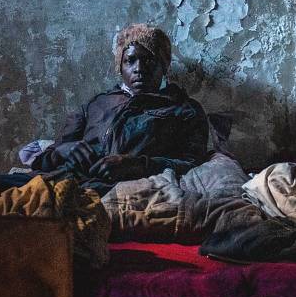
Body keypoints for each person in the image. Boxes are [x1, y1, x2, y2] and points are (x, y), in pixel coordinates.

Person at [32, 24, 208, 195]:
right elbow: (42, 162)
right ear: (120, 67)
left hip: (116, 190)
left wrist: (139, 166)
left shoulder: (184, 109)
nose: (139, 69)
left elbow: (193, 164)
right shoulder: (95, 105)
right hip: (65, 182)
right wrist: (61, 152)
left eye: (149, 60)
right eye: (130, 61)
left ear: (163, 65)